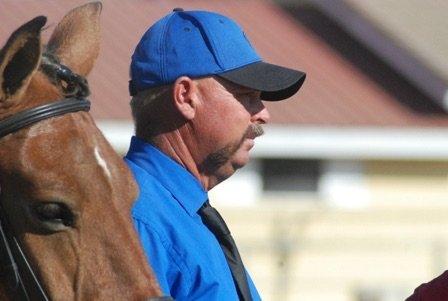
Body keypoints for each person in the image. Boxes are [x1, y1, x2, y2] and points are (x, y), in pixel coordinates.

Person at [124, 8, 306, 300]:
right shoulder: (135, 218)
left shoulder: (179, 213)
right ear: (185, 96)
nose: (263, 114)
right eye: (247, 96)